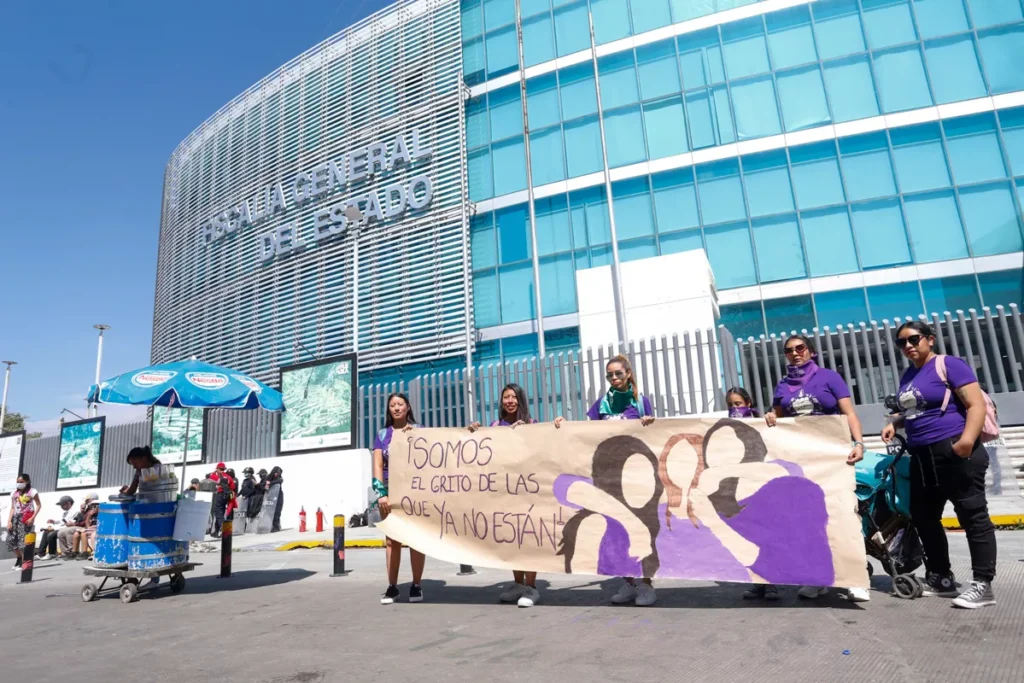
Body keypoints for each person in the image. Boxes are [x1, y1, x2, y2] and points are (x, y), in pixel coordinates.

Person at [881, 321, 997, 609]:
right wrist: (896, 422)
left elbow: (975, 405)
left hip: (954, 450)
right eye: (902, 343)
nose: (908, 346)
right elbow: (916, 409)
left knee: (973, 517)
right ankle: (941, 578)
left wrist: (966, 442)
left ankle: (983, 585)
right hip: (922, 456)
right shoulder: (909, 374)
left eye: (914, 339)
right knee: (923, 517)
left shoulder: (949, 365)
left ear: (929, 339)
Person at [765, 334, 868, 603]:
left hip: (834, 458)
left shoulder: (828, 377)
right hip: (802, 461)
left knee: (842, 514)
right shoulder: (782, 386)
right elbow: (779, 422)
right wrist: (771, 416)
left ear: (810, 351)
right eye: (789, 351)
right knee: (808, 520)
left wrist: (859, 442)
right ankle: (818, 578)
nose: (795, 353)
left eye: (800, 348)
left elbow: (849, 414)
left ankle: (855, 579)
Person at [555, 354, 657, 606]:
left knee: (640, 530)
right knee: (615, 532)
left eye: (618, 374)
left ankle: (646, 586)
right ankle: (628, 584)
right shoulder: (601, 404)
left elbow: (654, 435)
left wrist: (649, 423)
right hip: (608, 479)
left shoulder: (641, 402)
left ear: (628, 374)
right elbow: (586, 432)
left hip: (636, 478)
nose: (613, 378)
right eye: (609, 375)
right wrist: (564, 425)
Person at [469, 383, 541, 607]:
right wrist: (475, 431)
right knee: (511, 539)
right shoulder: (494, 426)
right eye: (505, 398)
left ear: (520, 400)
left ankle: (531, 588)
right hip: (504, 492)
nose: (509, 401)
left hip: (527, 491)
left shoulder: (532, 425)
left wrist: (527, 433)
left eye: (513, 397)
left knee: (528, 538)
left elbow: (545, 450)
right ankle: (517, 583)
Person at [374, 392, 425, 605]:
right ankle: (393, 586)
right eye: (392, 405)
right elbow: (377, 465)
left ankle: (416, 585)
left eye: (400, 404)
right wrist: (381, 493)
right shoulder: (382, 434)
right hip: (390, 492)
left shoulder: (419, 431)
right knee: (391, 540)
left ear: (408, 408)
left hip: (415, 492)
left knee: (416, 540)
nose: (396, 408)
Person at [5, 473, 41, 568]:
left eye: (22, 482)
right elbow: (12, 508)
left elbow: (38, 505)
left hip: (26, 518)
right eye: (18, 482)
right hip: (15, 518)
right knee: (11, 540)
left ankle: (25, 561)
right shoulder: (14, 493)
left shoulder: (32, 492)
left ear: (27, 482)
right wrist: (9, 521)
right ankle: (19, 557)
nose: (19, 483)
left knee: (22, 540)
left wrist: (32, 517)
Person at [58, 493, 97, 560]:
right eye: (86, 501)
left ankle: (84, 552)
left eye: (88, 501)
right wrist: (83, 512)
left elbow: (86, 523)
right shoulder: (86, 511)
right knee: (76, 534)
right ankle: (74, 552)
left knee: (82, 532)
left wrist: (89, 516)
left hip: (94, 528)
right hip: (87, 527)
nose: (86, 503)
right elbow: (85, 522)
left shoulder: (98, 510)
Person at [37, 496, 75, 560]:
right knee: (46, 532)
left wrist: (54, 528)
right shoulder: (66, 513)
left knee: (51, 535)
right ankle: (41, 553)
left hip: (67, 529)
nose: (61, 506)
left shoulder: (74, 512)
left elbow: (69, 524)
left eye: (62, 504)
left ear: (68, 503)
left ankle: (52, 553)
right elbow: (62, 521)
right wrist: (54, 522)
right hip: (62, 528)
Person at [265, 466, 284, 533]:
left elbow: (280, 481)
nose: (277, 474)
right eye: (276, 473)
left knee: (277, 511)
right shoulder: (269, 477)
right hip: (270, 496)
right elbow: (265, 485)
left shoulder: (279, 478)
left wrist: (270, 483)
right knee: (270, 512)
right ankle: (271, 526)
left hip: (278, 495)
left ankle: (276, 526)